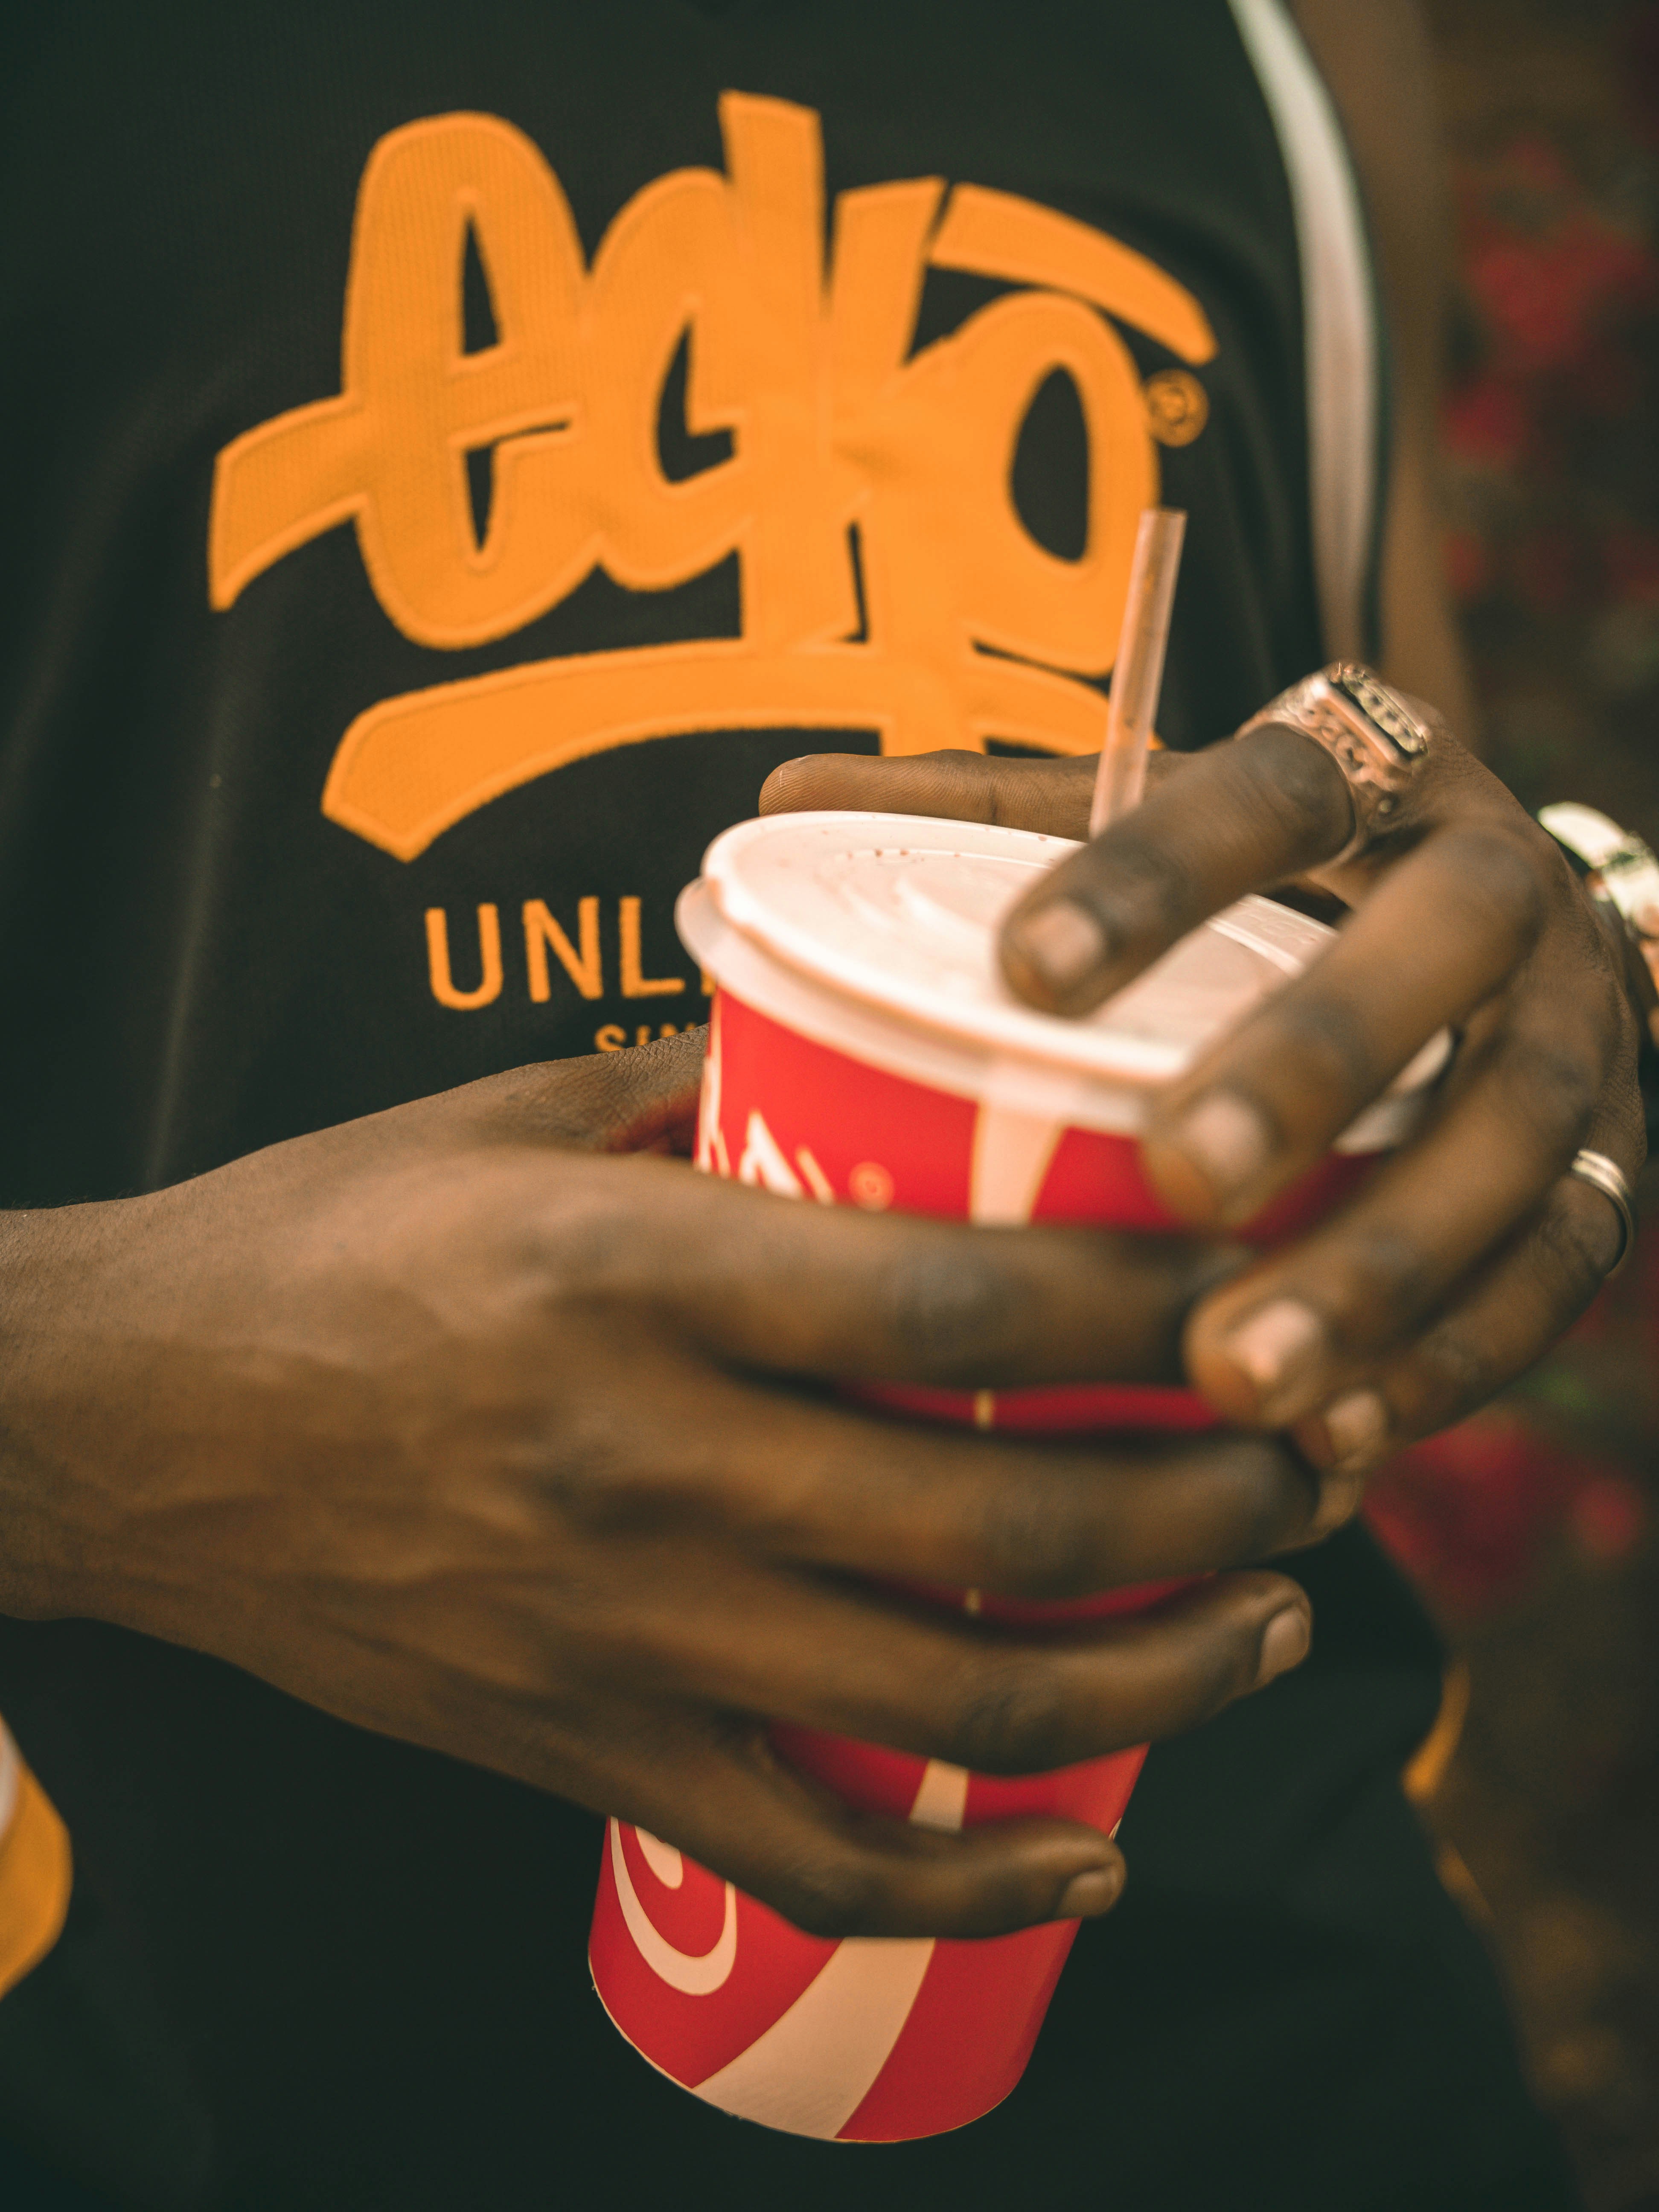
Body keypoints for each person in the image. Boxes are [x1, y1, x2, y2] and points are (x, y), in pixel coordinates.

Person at [0, 0, 1642, 2204]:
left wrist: (1571, 943)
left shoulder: (1300, 41)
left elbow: (1384, 815)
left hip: (1279, 2054)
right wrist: (91, 1428)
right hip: (169, 2074)